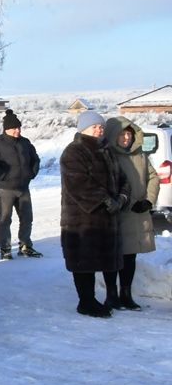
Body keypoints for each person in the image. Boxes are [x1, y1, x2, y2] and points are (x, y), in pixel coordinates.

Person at [60, 111, 129, 318]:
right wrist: (106, 200)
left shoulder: (106, 150)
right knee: (84, 262)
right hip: (83, 219)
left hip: (107, 218)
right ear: (83, 129)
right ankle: (86, 301)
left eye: (100, 126)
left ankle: (108, 297)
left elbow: (122, 178)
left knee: (105, 259)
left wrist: (122, 198)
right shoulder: (74, 152)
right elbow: (79, 183)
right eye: (94, 127)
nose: (99, 130)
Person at [102, 116, 160, 311]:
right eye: (122, 135)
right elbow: (109, 185)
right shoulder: (109, 155)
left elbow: (153, 176)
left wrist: (148, 200)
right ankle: (112, 296)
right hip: (119, 212)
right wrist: (131, 202)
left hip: (138, 213)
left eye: (128, 134)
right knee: (113, 256)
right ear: (113, 136)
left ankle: (126, 295)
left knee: (130, 256)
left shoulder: (140, 154)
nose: (126, 138)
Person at [0, 109, 41, 260]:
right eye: (14, 128)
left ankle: (25, 245)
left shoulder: (25, 142)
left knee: (27, 218)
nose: (17, 131)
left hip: (23, 187)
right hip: (5, 188)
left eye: (19, 128)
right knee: (5, 218)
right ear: (6, 129)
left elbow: (35, 159)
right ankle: (5, 248)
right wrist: (2, 176)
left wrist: (31, 173)